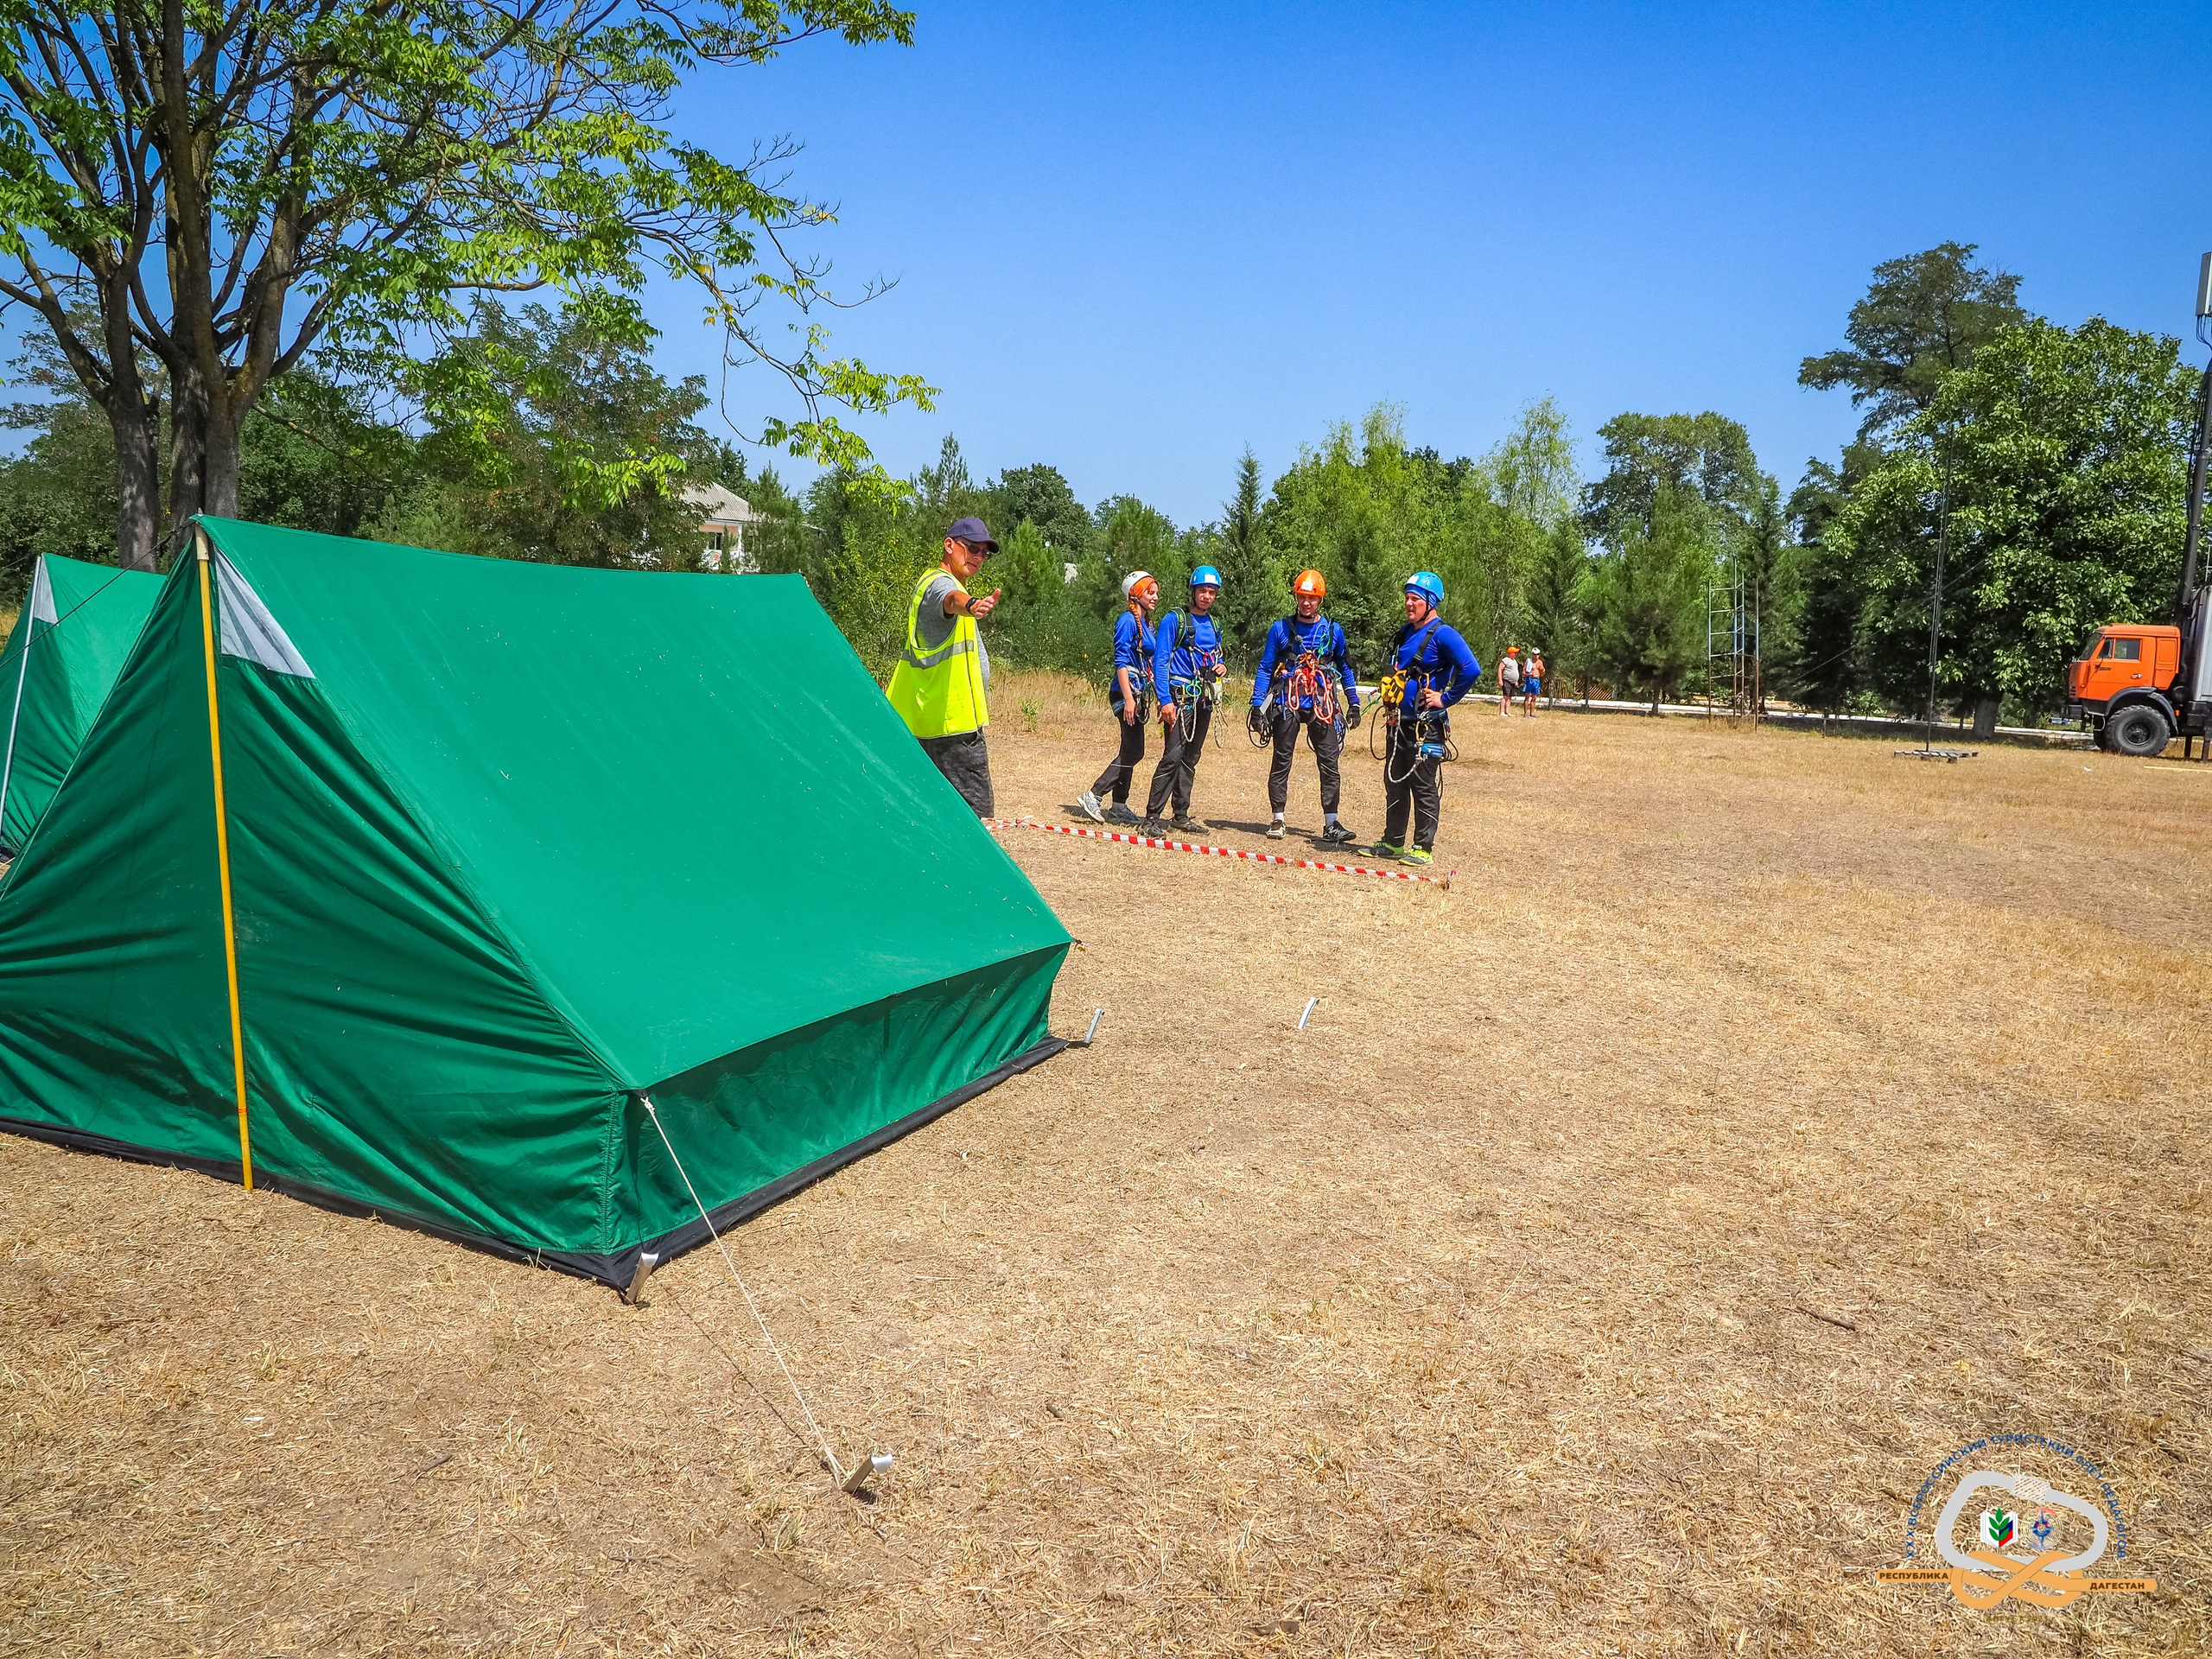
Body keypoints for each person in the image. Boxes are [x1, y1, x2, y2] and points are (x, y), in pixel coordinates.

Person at [884, 516, 1000, 817]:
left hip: (927, 724)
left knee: (927, 816)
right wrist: (971, 604)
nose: (978, 557)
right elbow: (950, 600)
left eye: (984, 553)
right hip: (953, 729)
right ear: (949, 545)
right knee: (978, 820)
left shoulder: (937, 582)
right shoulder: (939, 584)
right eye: (972, 548)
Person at [1370, 571, 1480, 868]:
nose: (1408, 603)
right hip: (1399, 721)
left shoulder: (1443, 634)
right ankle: (1393, 842)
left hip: (1426, 725)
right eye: (1406, 597)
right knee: (1394, 781)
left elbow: (1471, 669)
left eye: (1415, 598)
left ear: (1430, 602)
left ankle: (1423, 846)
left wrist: (1444, 699)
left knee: (1422, 783)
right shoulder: (1405, 632)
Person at [1250, 568, 1360, 843]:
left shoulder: (1333, 631)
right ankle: (1278, 819)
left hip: (1321, 701)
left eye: (1311, 598)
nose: (1306, 602)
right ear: (1296, 598)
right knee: (1282, 759)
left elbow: (1345, 668)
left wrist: (1354, 703)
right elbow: (1265, 668)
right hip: (1288, 699)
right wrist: (1257, 705)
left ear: (1320, 600)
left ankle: (1331, 823)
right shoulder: (1280, 629)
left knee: (1329, 761)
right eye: (1301, 597)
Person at [1141, 566, 1230, 835]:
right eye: (1202, 590)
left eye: (1212, 592)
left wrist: (1222, 666)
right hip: (1180, 699)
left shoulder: (1214, 625)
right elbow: (1160, 661)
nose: (1207, 596)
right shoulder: (1174, 620)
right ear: (1193, 591)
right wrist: (1165, 700)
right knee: (1173, 756)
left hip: (1203, 699)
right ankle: (1151, 819)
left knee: (1191, 757)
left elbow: (1216, 656)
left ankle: (1180, 814)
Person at [1077, 571, 1158, 825]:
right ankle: (1094, 795)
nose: (1155, 596)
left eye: (1156, 591)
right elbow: (1121, 661)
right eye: (1149, 592)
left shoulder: (1145, 623)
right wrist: (1129, 699)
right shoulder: (1127, 621)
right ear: (1135, 593)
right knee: (1134, 751)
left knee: (1129, 750)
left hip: (1139, 692)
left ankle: (1119, 806)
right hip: (1125, 692)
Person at [1498, 645, 1521, 715]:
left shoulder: (1514, 661)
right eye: (1515, 653)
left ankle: (1507, 712)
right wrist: (1500, 680)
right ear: (1510, 653)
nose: (1516, 654)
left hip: (1513, 682)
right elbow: (1500, 669)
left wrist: (1516, 680)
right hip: (1506, 681)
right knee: (1506, 696)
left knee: (1510, 697)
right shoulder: (1506, 660)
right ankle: (1501, 712)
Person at [1522, 646, 1544, 716]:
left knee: (1534, 697)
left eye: (1538, 654)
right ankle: (1526, 713)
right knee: (1527, 696)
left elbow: (1542, 671)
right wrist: (1529, 674)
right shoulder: (1529, 661)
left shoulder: (1540, 662)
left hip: (1536, 680)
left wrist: (1540, 673)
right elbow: (1523, 672)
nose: (1536, 656)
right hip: (1529, 679)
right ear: (1532, 654)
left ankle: (1532, 713)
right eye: (1535, 654)